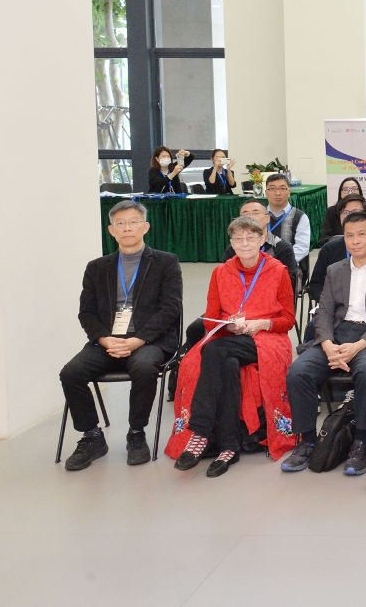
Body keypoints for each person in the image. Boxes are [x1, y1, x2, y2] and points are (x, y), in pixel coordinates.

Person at [165, 216, 296, 476]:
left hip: (267, 339)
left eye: (250, 237)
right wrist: (230, 325)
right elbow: (210, 318)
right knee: (226, 363)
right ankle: (229, 446)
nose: (244, 243)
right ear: (232, 243)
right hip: (230, 337)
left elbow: (288, 320)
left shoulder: (278, 271)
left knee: (212, 350)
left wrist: (262, 323)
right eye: (238, 238)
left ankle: (200, 431)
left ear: (262, 239)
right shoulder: (220, 273)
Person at [282, 210, 366, 477]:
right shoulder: (335, 269)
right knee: (298, 372)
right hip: (338, 335)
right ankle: (308, 441)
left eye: (361, 234)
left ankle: (360, 441)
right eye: (349, 236)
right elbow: (324, 312)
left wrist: (358, 346)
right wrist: (327, 343)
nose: (355, 241)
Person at [61, 201, 183, 470]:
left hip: (149, 340)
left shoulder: (166, 262)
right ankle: (92, 436)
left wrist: (139, 339)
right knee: (71, 373)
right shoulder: (96, 267)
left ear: (145, 227)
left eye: (133, 222)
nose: (127, 228)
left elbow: (170, 308)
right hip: (108, 340)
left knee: (143, 367)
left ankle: (136, 433)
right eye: (120, 223)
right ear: (111, 230)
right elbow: (87, 312)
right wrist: (104, 339)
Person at [307, 196, 366, 302]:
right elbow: (316, 286)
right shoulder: (329, 249)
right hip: (336, 307)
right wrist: (332, 304)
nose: (351, 216)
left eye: (356, 212)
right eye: (346, 213)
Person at [226, 199, 299, 287]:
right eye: (245, 214)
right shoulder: (234, 249)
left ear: (267, 218)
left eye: (256, 213)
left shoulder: (283, 248)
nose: (250, 217)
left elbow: (288, 282)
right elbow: (226, 280)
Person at [265, 173, 310, 266]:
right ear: (266, 193)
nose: (277, 193)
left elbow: (302, 248)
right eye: (272, 189)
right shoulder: (259, 216)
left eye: (282, 188)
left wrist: (279, 265)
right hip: (260, 266)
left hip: (288, 266)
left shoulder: (300, 217)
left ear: (289, 192)